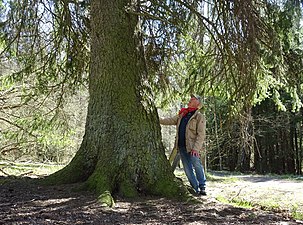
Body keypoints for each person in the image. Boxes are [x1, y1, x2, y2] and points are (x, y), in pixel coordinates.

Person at [160, 94, 207, 195]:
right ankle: (195, 188)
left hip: (193, 147)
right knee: (187, 168)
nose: (190, 100)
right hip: (181, 146)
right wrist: (156, 118)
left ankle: (202, 186)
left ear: (198, 103)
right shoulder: (182, 114)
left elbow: (201, 134)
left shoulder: (199, 117)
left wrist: (196, 149)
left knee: (196, 164)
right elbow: (170, 120)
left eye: (193, 99)